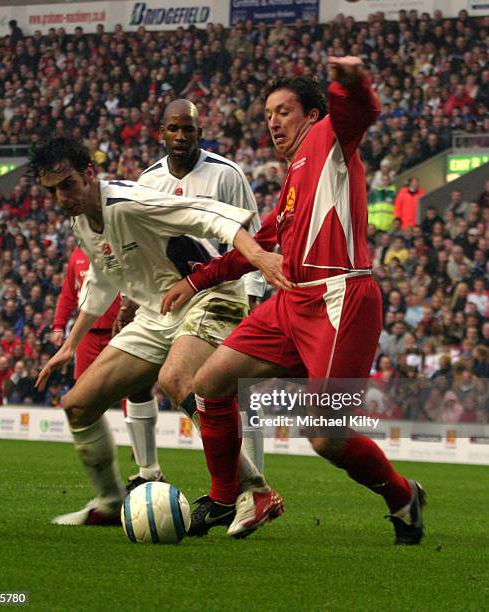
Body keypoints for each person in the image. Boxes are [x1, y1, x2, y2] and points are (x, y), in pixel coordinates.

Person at [162, 57, 426, 543]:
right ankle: (228, 497)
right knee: (210, 382)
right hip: (290, 303)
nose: (273, 122)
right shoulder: (292, 181)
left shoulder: (330, 140)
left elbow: (363, 112)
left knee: (326, 436)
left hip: (341, 299)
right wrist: (196, 282)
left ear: (312, 115)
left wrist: (349, 83)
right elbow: (257, 249)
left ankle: (403, 495)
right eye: (267, 114)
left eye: (283, 111)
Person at [31, 137, 284, 528]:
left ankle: (255, 490)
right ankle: (111, 501)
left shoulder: (129, 201)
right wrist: (70, 344)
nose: (61, 197)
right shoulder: (81, 221)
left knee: (177, 379)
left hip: (209, 294)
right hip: (157, 313)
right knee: (78, 406)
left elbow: (207, 214)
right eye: (51, 191)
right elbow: (100, 280)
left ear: (89, 174)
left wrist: (258, 257)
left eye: (67, 185)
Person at [114, 99, 266, 485]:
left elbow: (253, 236)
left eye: (189, 130)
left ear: (201, 132)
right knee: (137, 376)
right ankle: (148, 471)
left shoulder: (226, 175)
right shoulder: (148, 182)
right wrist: (130, 301)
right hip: (168, 296)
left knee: (228, 387)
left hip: (222, 293)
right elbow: (142, 247)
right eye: (174, 129)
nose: (181, 137)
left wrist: (253, 296)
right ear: (160, 132)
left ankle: (251, 483)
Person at [52, 246, 122, 380]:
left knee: (123, 382)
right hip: (86, 332)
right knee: (83, 382)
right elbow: (68, 294)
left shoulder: (115, 245)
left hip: (117, 330)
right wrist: (59, 326)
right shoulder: (77, 254)